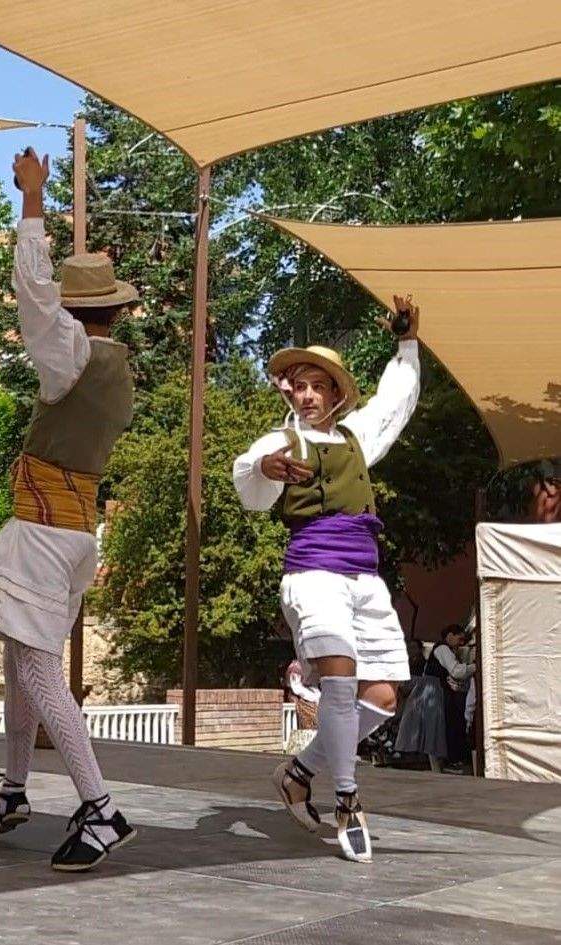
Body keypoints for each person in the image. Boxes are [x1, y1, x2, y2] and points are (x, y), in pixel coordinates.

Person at [0, 149, 140, 873]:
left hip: (41, 528)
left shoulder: (70, 352)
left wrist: (32, 202)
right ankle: (14, 786)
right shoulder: (118, 369)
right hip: (72, 531)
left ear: (78, 312)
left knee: (37, 669)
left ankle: (100, 807)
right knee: (19, 660)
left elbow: (31, 293)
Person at [234, 294, 422, 863]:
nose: (310, 394)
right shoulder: (279, 442)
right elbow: (247, 481)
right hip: (313, 574)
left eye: (321, 385)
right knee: (339, 681)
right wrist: (264, 469)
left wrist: (408, 342)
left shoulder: (358, 437)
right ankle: (347, 799)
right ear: (290, 391)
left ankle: (299, 772)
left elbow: (397, 400)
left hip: (364, 579)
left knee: (384, 695)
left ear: (337, 394)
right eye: (301, 384)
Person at [396, 625, 475, 772]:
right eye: (459, 638)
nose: (460, 643)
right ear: (450, 635)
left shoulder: (446, 650)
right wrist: (474, 667)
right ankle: (440, 765)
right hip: (432, 690)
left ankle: (437, 766)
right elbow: (456, 671)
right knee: (434, 728)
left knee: (433, 729)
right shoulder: (443, 649)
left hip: (433, 688)